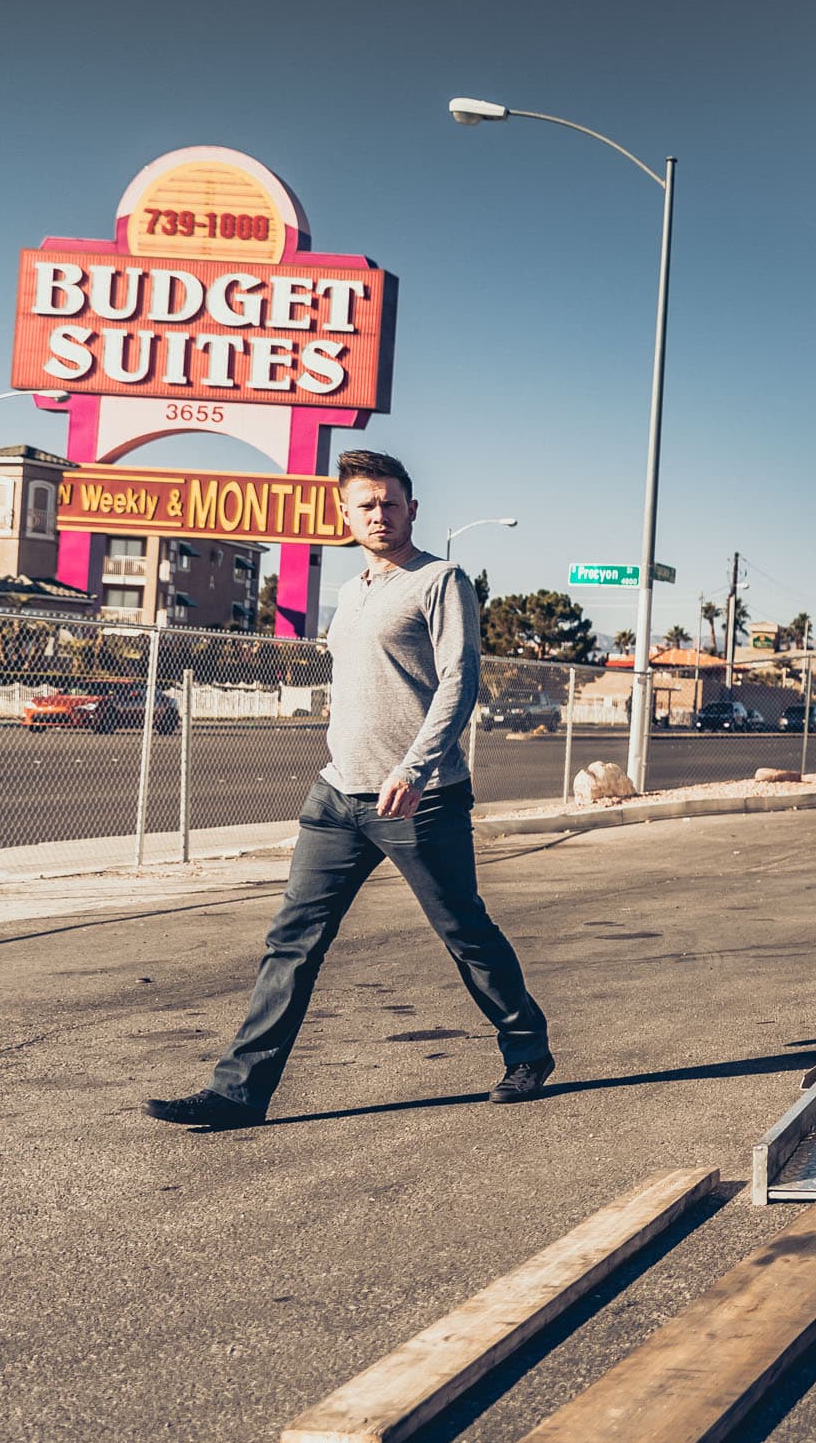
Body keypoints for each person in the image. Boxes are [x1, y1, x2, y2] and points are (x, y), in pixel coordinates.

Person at [146, 452, 552, 1129]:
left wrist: (413, 770)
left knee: (464, 931)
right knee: (292, 941)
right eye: (366, 504)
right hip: (337, 796)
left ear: (411, 509)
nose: (379, 514)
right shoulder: (354, 590)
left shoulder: (440, 580)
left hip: (419, 798)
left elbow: (460, 682)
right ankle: (239, 1093)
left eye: (390, 502)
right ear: (346, 515)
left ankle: (527, 1049)